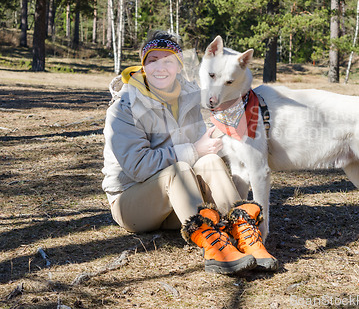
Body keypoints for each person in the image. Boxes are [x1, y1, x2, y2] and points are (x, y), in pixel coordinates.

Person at [101, 30, 278, 274]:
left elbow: (202, 149)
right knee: (181, 169)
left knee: (211, 162)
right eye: (153, 60)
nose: (160, 68)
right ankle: (215, 249)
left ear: (178, 65)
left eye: (168, 60)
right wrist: (194, 149)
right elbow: (138, 167)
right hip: (131, 202)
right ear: (143, 64)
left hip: (178, 204)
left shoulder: (188, 96)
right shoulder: (124, 107)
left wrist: (231, 142)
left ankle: (243, 234)